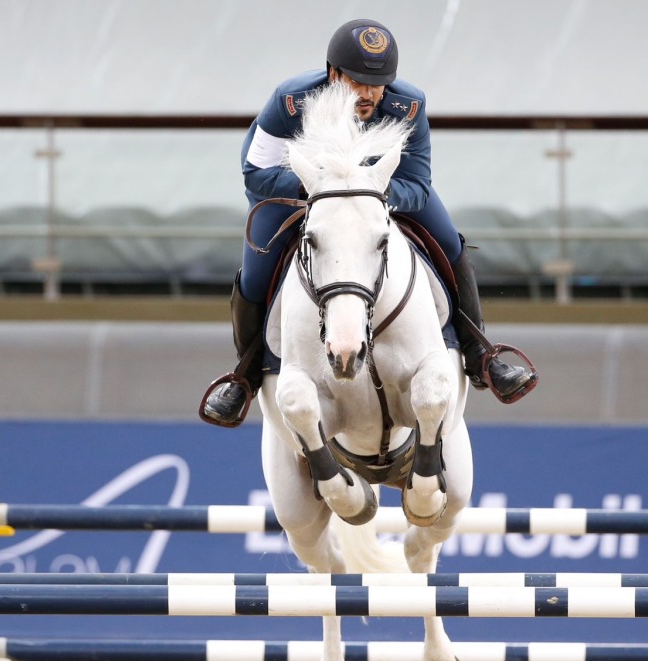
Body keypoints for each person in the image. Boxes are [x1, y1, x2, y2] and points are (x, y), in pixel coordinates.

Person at [201, 18, 537, 427]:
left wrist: (369, 192)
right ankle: (246, 376)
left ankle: (480, 352)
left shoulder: (407, 105)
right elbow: (255, 171)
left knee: (449, 242)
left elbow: (417, 182)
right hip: (294, 194)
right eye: (356, 81)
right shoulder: (290, 100)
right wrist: (327, 185)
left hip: (378, 192)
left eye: (377, 84)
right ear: (332, 73)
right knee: (256, 274)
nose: (368, 93)